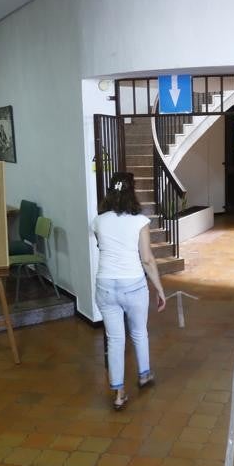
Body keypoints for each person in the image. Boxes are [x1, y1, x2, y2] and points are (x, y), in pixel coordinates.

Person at [91, 171, 168, 410]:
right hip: (133, 284)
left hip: (105, 285)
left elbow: (101, 243)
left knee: (115, 340)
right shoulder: (139, 221)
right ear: (131, 192)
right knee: (139, 333)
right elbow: (147, 259)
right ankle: (144, 375)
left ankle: (118, 394)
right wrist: (160, 289)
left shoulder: (98, 220)